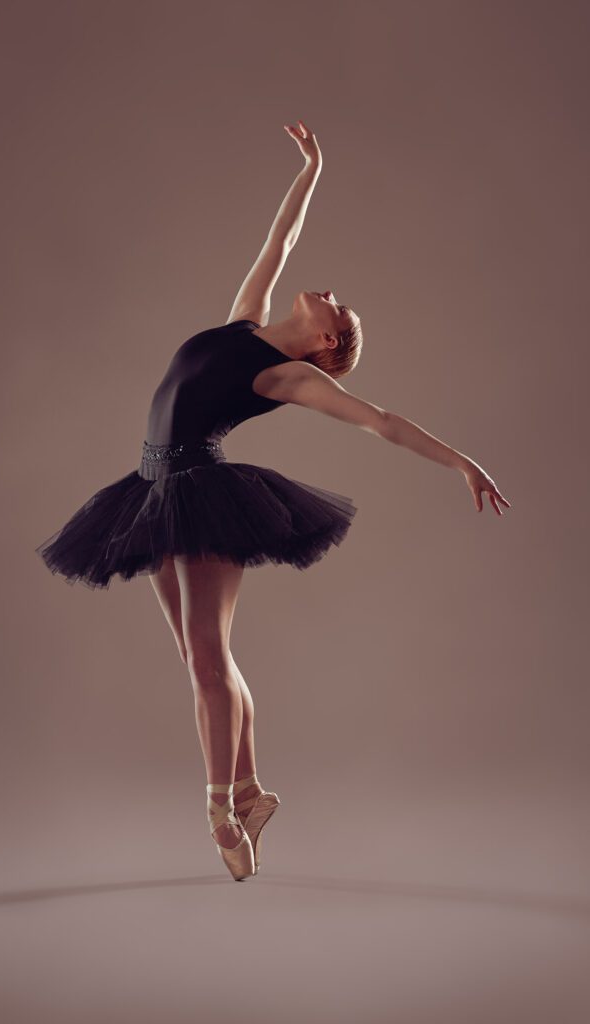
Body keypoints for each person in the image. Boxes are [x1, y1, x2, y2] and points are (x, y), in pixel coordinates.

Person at [35, 120, 510, 882]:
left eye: (341, 315)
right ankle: (252, 791)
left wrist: (462, 462)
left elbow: (380, 422)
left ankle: (221, 810)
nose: (333, 299)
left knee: (207, 663)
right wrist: (312, 168)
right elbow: (279, 239)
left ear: (326, 345)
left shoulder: (290, 377)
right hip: (149, 491)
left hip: (201, 495)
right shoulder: (243, 321)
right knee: (200, 655)